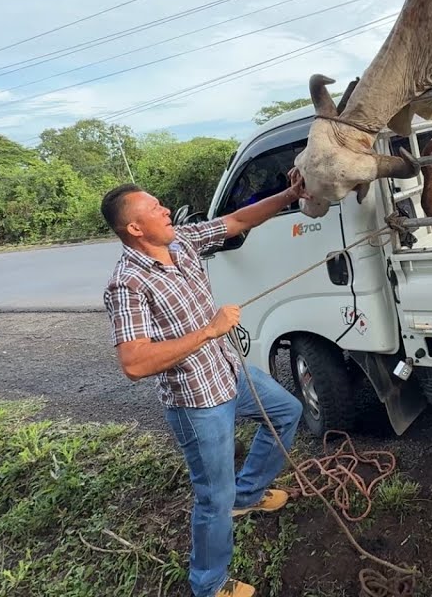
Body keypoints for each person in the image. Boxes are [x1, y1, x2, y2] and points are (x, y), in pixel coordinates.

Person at [100, 178, 307, 597]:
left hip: (228, 374)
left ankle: (247, 495)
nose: (165, 210)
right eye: (154, 208)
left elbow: (236, 220)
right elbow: (134, 363)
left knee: (287, 412)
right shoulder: (128, 284)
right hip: (197, 403)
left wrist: (290, 196)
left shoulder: (182, 242)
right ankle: (209, 585)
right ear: (135, 229)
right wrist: (209, 331)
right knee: (214, 496)